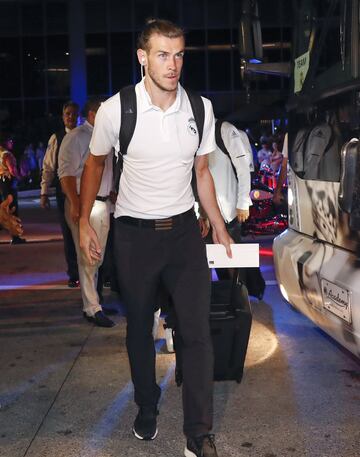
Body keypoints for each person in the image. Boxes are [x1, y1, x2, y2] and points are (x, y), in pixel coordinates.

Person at [79, 18, 232, 457]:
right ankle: (147, 404)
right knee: (139, 333)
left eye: (180, 54)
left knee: (196, 332)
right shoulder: (116, 110)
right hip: (133, 237)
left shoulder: (199, 109)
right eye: (163, 54)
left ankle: (198, 433)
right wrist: (86, 220)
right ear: (143, 57)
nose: (173, 64)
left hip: (183, 234)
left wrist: (217, 223)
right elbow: (94, 164)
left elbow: (201, 172)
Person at [58, 99, 115, 328]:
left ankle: (94, 301)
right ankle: (92, 307)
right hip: (85, 205)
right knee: (87, 256)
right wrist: (75, 203)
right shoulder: (76, 137)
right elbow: (66, 174)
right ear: (93, 114)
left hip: (103, 205)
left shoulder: (104, 137)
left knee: (97, 257)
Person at [40, 101, 80, 288]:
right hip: (64, 193)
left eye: (73, 114)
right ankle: (73, 274)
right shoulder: (56, 138)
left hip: (84, 192)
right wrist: (44, 192)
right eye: (67, 114)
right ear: (63, 116)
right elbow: (48, 167)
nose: (70, 117)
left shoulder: (85, 135)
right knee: (68, 233)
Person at [0, 135, 26, 244]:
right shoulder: (7, 154)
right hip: (9, 183)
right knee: (13, 209)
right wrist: (20, 177)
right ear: (5, 142)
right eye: (10, 141)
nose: (12, 143)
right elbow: (12, 170)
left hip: (1, 183)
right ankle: (15, 237)